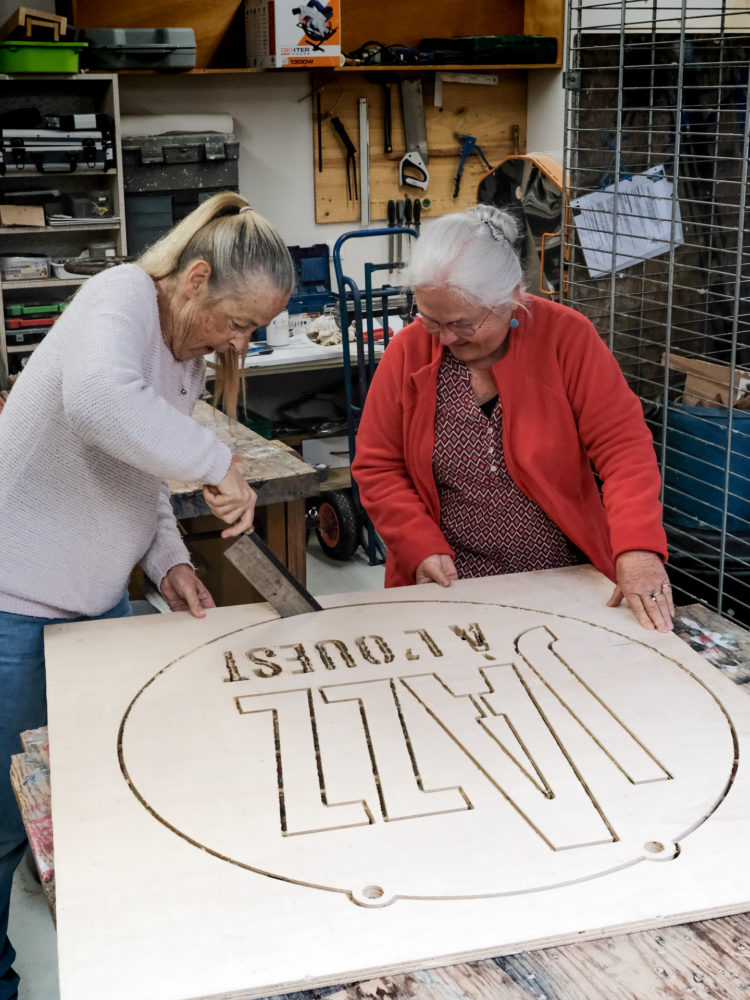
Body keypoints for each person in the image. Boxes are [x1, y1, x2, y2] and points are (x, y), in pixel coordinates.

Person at [0, 192, 295, 1000]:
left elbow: (141, 466)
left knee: (94, 802)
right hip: (15, 606)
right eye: (239, 322)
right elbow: (98, 404)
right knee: (3, 824)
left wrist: (168, 561)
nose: (240, 343)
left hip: (96, 605)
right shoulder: (120, 296)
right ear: (195, 280)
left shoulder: (183, 355)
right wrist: (218, 460)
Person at [351, 204, 674, 634]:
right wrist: (418, 545)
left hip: (566, 578)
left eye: (462, 323)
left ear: (511, 298)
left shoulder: (566, 337)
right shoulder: (409, 350)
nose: (444, 338)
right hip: (451, 584)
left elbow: (624, 449)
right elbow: (378, 465)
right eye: (430, 320)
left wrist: (637, 546)